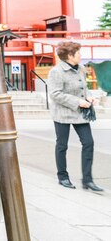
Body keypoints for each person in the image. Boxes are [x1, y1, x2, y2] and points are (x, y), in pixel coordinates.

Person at [48, 41, 103, 191]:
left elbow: (83, 88)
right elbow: (55, 94)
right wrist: (78, 101)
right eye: (78, 53)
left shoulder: (81, 68)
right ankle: (63, 177)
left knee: (88, 143)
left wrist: (89, 97)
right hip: (62, 114)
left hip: (80, 113)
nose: (81, 55)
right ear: (70, 56)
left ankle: (87, 180)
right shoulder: (56, 72)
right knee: (62, 145)